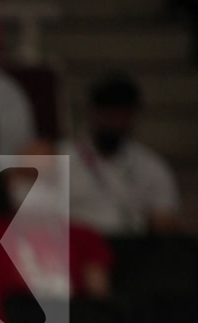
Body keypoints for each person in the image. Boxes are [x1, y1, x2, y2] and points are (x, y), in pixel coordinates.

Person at [0, 140, 113, 318]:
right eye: (28, 176)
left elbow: (100, 309)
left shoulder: (85, 237)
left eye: (46, 179)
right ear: (10, 181)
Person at [63, 72, 181, 237]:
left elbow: (164, 217)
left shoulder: (151, 166)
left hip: (132, 249)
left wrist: (162, 224)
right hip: (78, 249)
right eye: (109, 115)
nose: (115, 123)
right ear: (93, 112)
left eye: (122, 115)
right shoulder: (61, 158)